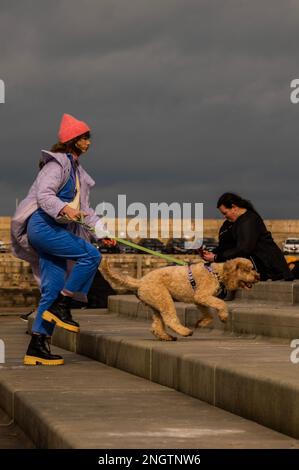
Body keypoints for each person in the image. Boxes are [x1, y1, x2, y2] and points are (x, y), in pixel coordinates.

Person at [11, 113, 106, 366]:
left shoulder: (78, 171)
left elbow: (85, 209)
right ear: (73, 141)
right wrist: (64, 209)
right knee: (91, 255)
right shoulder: (56, 166)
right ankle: (63, 305)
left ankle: (37, 347)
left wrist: (103, 231)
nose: (89, 142)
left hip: (56, 232)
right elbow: (44, 196)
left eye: (88, 137)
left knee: (50, 290)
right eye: (84, 137)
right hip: (43, 228)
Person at [202, 192, 294, 281]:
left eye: (225, 213)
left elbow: (244, 248)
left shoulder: (249, 221)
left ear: (234, 207)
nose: (225, 217)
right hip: (252, 265)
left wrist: (216, 257)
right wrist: (210, 254)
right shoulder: (228, 224)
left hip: (269, 269)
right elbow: (225, 246)